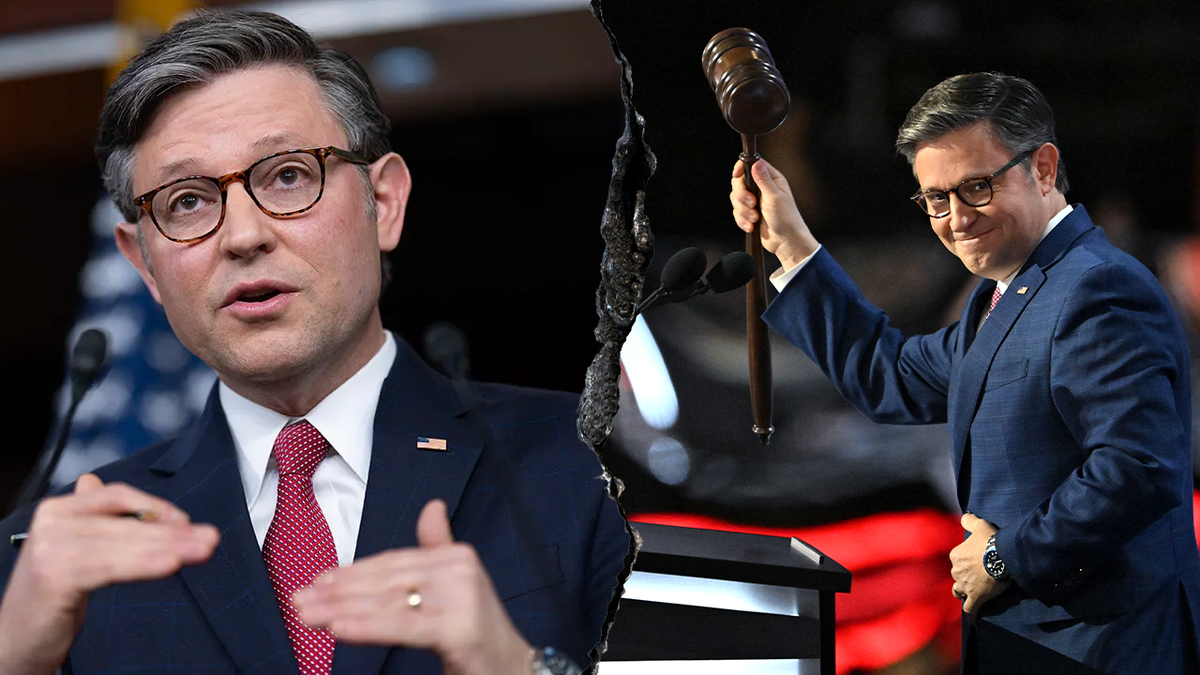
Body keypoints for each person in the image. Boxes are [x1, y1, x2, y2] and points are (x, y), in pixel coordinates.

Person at [0, 10, 628, 675]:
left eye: (288, 175)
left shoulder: (596, 468)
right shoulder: (45, 558)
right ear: (143, 263)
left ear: (383, 202)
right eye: (186, 201)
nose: (243, 236)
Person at [729, 72, 1200, 674]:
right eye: (935, 198)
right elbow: (889, 376)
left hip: (1104, 648)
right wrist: (791, 244)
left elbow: (1138, 468)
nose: (956, 218)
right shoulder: (1004, 293)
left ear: (1045, 168)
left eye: (976, 187)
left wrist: (1003, 558)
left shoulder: (1098, 289)